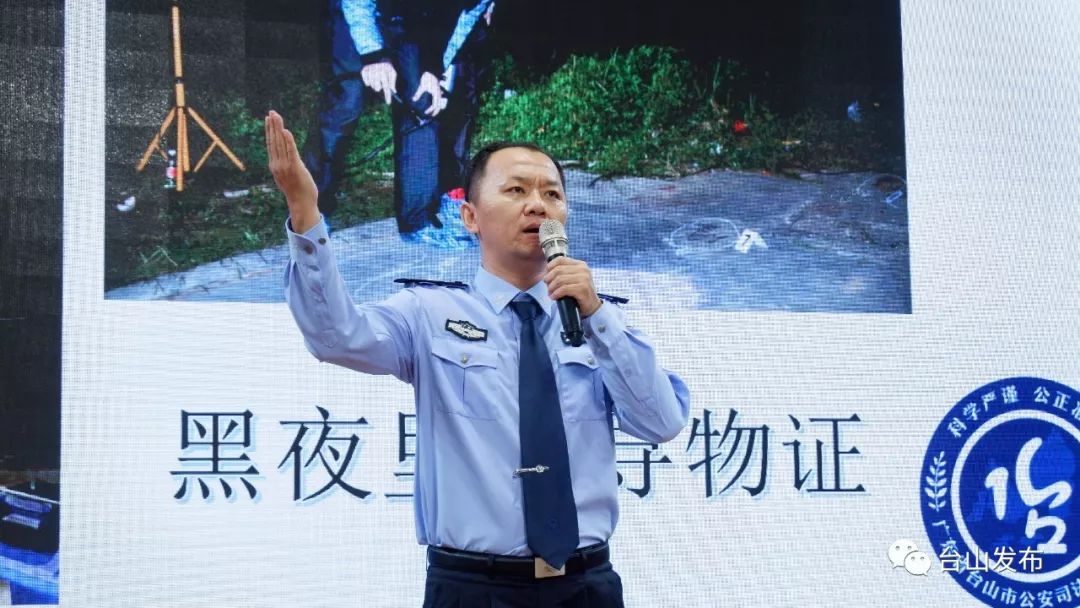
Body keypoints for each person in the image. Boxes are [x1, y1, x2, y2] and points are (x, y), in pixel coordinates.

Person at [266, 110, 690, 607]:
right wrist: (304, 210)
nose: (538, 205)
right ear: (470, 217)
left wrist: (596, 316)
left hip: (586, 586)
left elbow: (661, 423)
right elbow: (335, 337)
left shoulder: (599, 320)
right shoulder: (427, 313)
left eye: (552, 194)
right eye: (516, 190)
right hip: (473, 588)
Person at [303, 0, 494, 247]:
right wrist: (373, 55)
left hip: (407, 20)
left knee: (424, 100)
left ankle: (416, 221)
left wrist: (435, 70)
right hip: (358, 9)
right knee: (346, 104)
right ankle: (309, 211)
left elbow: (463, 22)